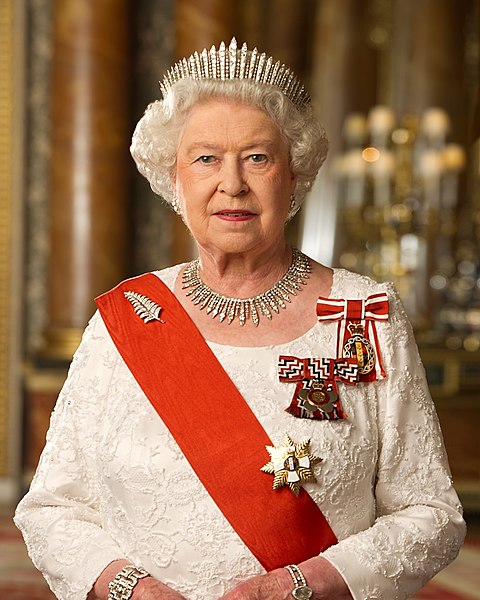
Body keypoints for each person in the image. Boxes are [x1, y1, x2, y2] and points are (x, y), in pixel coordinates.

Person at [15, 38, 465, 600]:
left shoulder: (364, 314)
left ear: (294, 176)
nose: (232, 183)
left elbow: (431, 513)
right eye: (206, 159)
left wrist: (306, 584)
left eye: (257, 157)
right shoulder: (126, 318)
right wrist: (130, 589)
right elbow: (53, 506)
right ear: (174, 181)